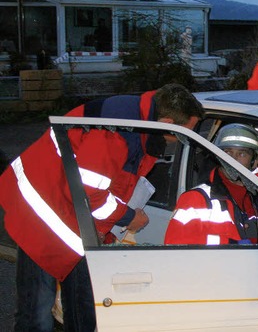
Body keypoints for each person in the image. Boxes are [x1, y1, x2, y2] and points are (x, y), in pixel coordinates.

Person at [0, 83, 204, 331]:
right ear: (167, 121)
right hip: (42, 213)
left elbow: (107, 184)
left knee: (82, 307)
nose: (182, 141)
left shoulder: (136, 123)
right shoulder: (116, 131)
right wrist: (128, 217)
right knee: (37, 312)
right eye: (184, 133)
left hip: (70, 215)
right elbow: (90, 193)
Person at [164, 123, 258, 245]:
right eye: (227, 152)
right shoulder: (195, 200)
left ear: (254, 161)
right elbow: (177, 256)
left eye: (242, 154)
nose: (232, 159)